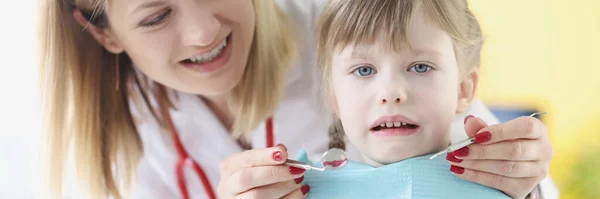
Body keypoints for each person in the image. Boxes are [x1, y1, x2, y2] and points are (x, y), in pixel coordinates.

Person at [38, 0, 557, 198]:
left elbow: (512, 171)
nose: (202, 32)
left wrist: (523, 170)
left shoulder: (347, 31)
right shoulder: (123, 129)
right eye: (155, 18)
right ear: (103, 34)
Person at [309, 0, 539, 198]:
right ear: (334, 99)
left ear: (463, 89)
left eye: (420, 67)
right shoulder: (303, 190)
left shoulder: (505, 191)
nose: (390, 93)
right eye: (364, 70)